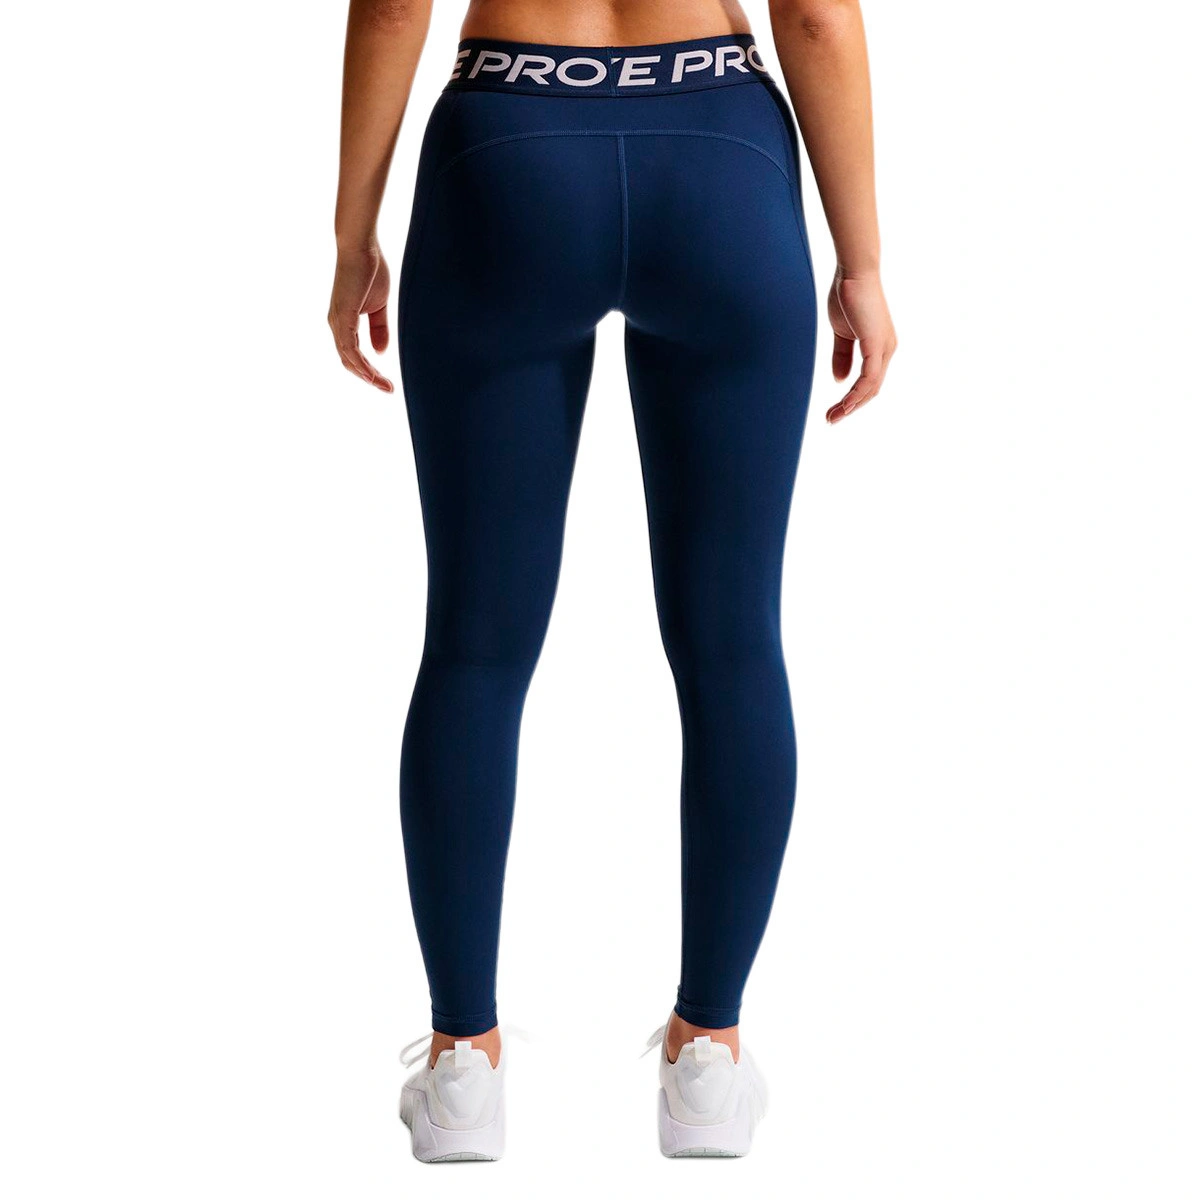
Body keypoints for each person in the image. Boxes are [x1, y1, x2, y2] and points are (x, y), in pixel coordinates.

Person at [329, 0, 896, 1161]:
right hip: (720, 160)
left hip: (508, 152)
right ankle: (708, 1061)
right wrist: (865, 262)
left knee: (475, 648)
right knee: (733, 642)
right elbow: (814, 18)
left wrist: (353, 236)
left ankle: (461, 1069)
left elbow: (391, 5)